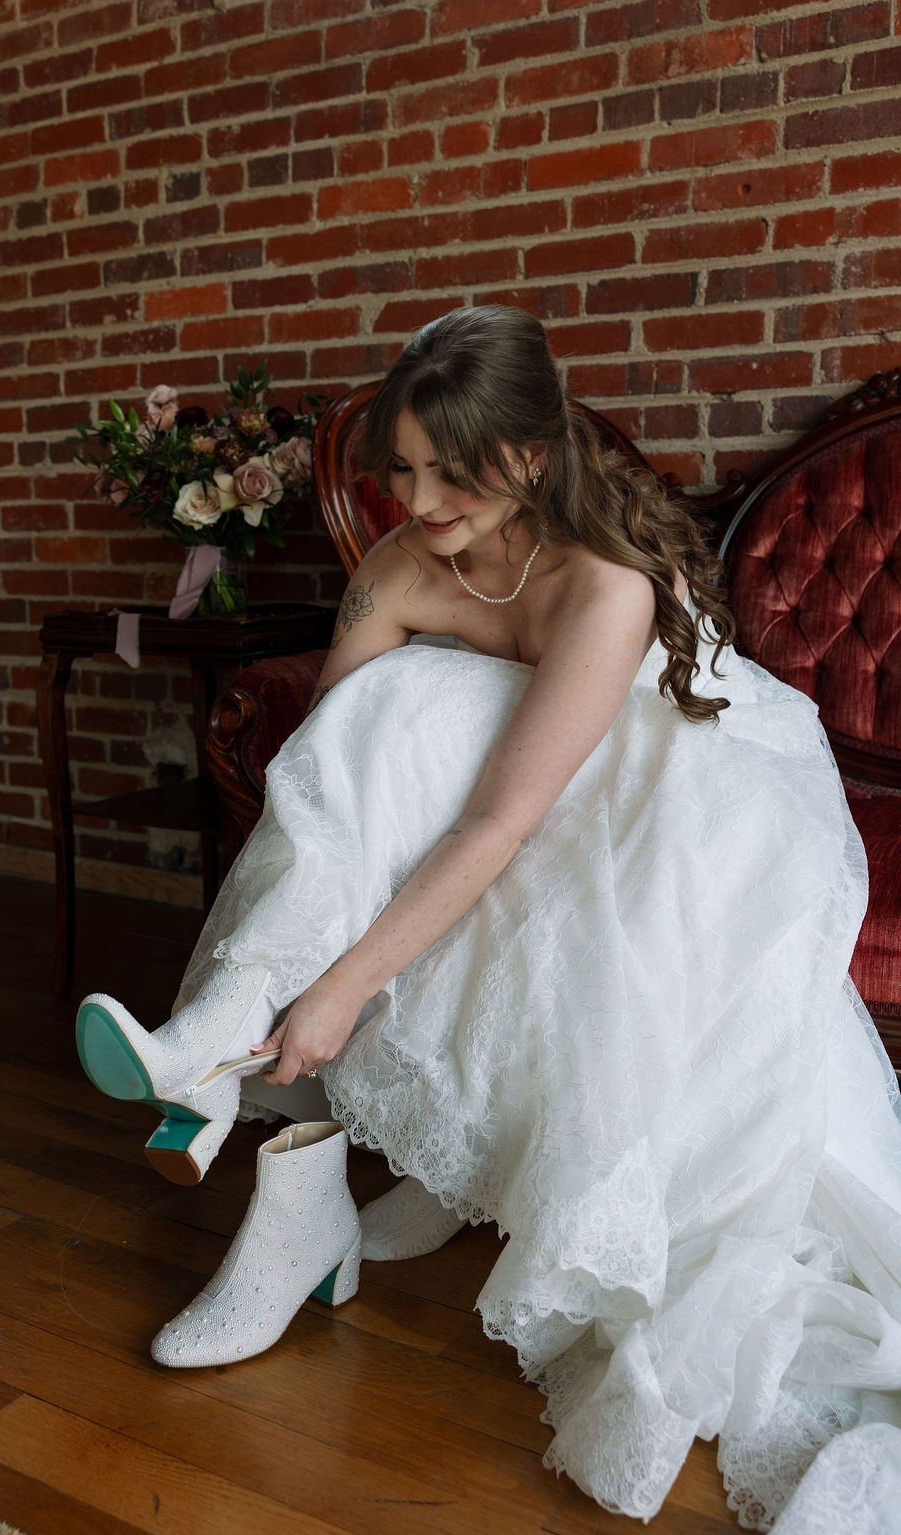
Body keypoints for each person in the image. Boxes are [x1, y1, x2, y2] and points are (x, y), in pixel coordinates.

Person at [76, 306, 901, 1531]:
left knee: (440, 815)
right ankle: (234, 1074)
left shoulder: (607, 581)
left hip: (665, 805)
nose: (414, 501)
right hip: (497, 795)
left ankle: (225, 1080)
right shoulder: (402, 561)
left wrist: (341, 986)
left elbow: (501, 823)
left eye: (445, 473)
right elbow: (327, 783)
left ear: (527, 456)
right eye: (399, 470)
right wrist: (318, 942)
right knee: (380, 722)